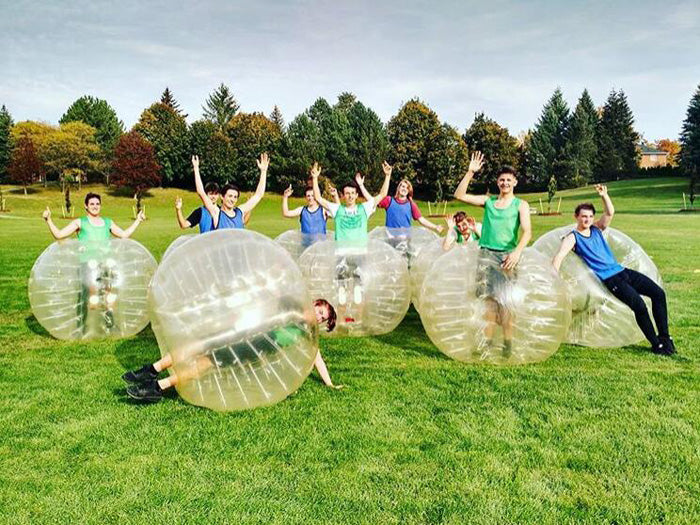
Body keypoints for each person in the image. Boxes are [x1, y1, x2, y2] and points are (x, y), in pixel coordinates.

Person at [123, 299, 342, 402]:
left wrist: (330, 383)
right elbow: (264, 304)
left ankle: (156, 387)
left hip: (251, 349)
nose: (319, 316)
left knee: (205, 363)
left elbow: (316, 359)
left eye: (323, 318)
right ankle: (152, 369)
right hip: (240, 330)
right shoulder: (291, 304)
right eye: (320, 311)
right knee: (196, 346)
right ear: (314, 303)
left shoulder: (308, 334)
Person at [551, 185, 674, 355]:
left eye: (589, 216)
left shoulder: (596, 229)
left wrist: (604, 195)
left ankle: (665, 338)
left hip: (622, 271)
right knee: (639, 306)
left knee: (658, 293)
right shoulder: (572, 237)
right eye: (583, 216)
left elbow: (609, 213)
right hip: (611, 280)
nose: (586, 220)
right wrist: (554, 278)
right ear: (576, 217)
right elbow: (559, 256)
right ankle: (656, 344)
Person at [453, 151, 532, 356]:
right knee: (488, 301)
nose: (505, 183)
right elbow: (459, 195)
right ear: (498, 183)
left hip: (507, 257)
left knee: (506, 303)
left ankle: (507, 343)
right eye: (502, 180)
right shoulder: (488, 202)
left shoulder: (520, 205)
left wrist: (517, 253)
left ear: (514, 182)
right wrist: (470, 172)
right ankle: (487, 343)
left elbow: (527, 231)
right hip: (486, 255)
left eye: (509, 180)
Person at [42, 192, 145, 331]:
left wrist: (137, 220)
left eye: (97, 204)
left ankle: (110, 325)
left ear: (100, 206)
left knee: (109, 295)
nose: (95, 206)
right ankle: (83, 326)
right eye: (92, 204)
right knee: (90, 297)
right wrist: (48, 220)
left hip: (105, 264)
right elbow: (59, 235)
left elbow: (124, 235)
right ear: (86, 206)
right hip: (87, 265)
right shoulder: (80, 222)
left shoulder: (108, 222)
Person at [312, 161, 392, 306]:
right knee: (341, 283)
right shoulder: (337, 209)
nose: (349, 196)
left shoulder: (364, 208)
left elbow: (382, 194)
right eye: (347, 193)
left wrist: (387, 176)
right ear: (342, 195)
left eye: (352, 193)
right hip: (341, 251)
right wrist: (315, 178)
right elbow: (318, 198)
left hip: (359, 251)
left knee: (357, 281)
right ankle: (342, 297)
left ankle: (357, 292)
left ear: (356, 195)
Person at [192, 153, 269, 230]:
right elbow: (201, 192)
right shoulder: (216, 213)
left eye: (235, 197)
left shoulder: (240, 212)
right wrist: (196, 168)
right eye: (230, 196)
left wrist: (264, 171)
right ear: (222, 197)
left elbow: (259, 195)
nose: (232, 199)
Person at [377, 178, 443, 233]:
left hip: (405, 239)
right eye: (403, 186)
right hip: (390, 238)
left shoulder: (411, 204)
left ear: (409, 191)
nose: (404, 189)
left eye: (407, 188)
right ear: (398, 188)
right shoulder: (389, 200)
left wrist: (435, 227)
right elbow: (375, 201)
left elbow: (421, 220)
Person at [282, 181, 331, 247]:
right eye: (308, 196)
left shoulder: (323, 210)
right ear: (305, 197)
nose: (310, 198)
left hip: (321, 248)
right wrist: (285, 197)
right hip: (306, 248)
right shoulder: (302, 210)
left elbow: (337, 213)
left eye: (313, 196)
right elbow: (286, 213)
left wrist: (335, 196)